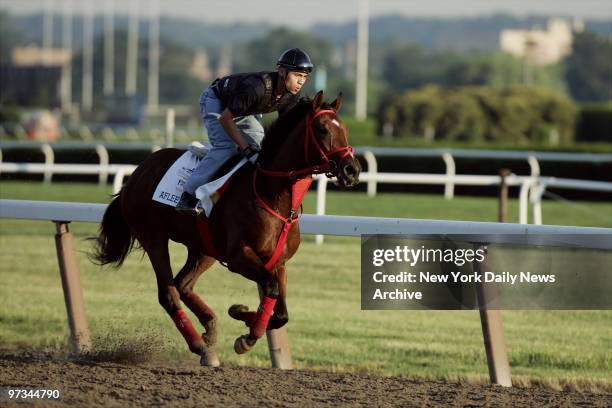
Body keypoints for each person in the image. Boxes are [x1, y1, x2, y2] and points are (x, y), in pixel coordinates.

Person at [176, 48, 314, 215]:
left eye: (304, 77)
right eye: (297, 75)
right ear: (282, 71)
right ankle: (188, 195)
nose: (301, 82)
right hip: (217, 101)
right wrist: (245, 149)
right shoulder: (256, 88)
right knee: (227, 147)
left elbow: (285, 130)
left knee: (259, 149)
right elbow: (225, 119)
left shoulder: (291, 96)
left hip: (244, 109)